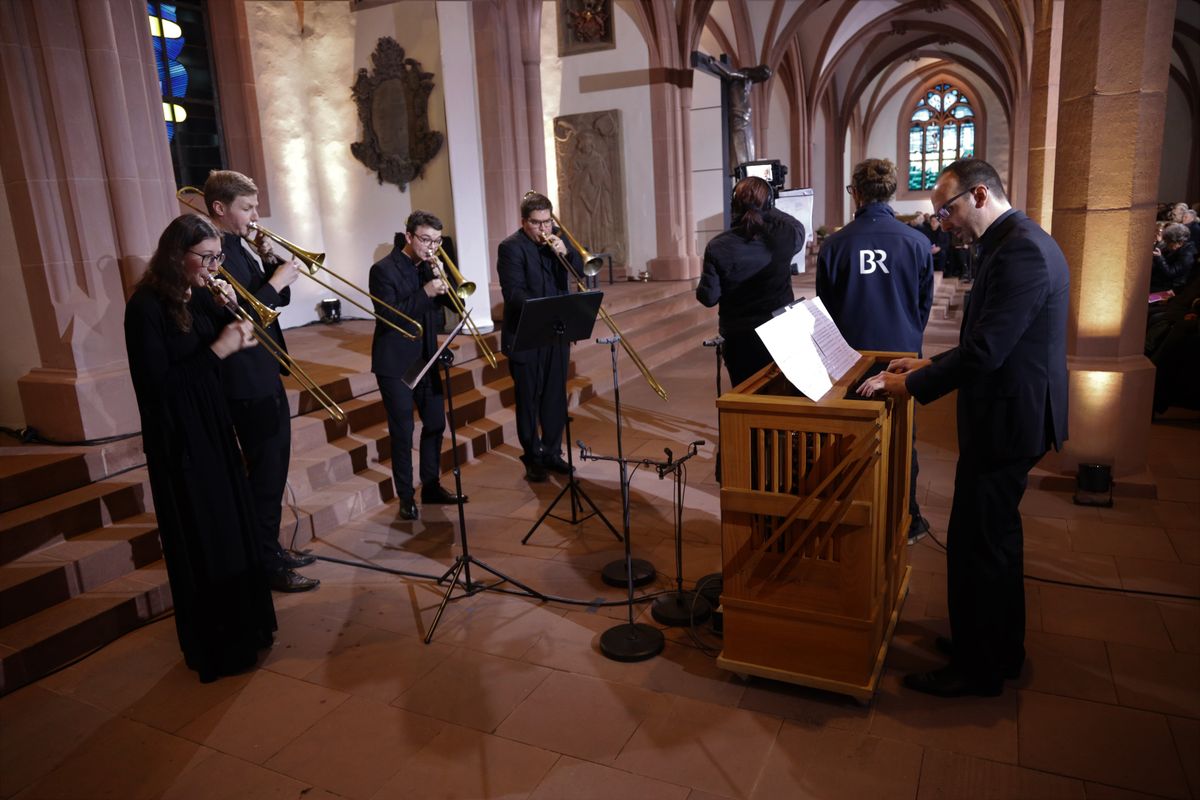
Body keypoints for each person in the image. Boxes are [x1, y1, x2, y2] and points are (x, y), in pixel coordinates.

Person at [860, 158, 1069, 698]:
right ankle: (997, 647)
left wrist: (912, 386)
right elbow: (992, 335)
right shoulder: (1013, 240)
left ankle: (978, 669)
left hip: (1009, 418)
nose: (943, 224)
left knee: (977, 542)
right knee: (996, 537)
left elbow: (988, 349)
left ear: (979, 195)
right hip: (1010, 412)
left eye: (946, 211)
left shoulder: (1019, 248)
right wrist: (927, 365)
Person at [124, 213, 277, 682]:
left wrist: (231, 312)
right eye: (205, 257)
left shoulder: (199, 295)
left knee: (232, 528)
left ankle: (249, 628)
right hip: (179, 440)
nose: (213, 266)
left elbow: (236, 341)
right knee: (205, 537)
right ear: (177, 254)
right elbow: (159, 386)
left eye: (217, 257)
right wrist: (218, 349)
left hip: (212, 427)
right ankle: (218, 645)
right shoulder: (146, 307)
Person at [202, 170, 318, 593]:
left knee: (274, 469)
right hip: (245, 378)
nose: (255, 216)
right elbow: (240, 314)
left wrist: (271, 263)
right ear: (219, 208)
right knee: (266, 474)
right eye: (247, 207)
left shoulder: (237, 245)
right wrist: (273, 282)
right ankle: (264, 562)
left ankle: (267, 547)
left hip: (264, 367)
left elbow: (276, 301)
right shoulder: (215, 253)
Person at [817, 158, 934, 544]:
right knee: (903, 437)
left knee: (852, 435)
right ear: (893, 193)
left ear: (856, 194)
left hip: (851, 359)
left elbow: (826, 310)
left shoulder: (835, 245)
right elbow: (922, 306)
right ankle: (907, 516)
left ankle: (854, 513)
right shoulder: (917, 242)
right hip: (901, 356)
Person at [369, 210, 465, 520]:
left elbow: (457, 306)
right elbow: (392, 318)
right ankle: (406, 496)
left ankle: (432, 485)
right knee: (403, 431)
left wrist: (446, 282)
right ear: (409, 237)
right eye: (425, 240)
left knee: (436, 423)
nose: (431, 247)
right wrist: (425, 292)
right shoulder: (382, 270)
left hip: (427, 358)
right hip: (395, 364)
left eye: (437, 241)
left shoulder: (430, 267)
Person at [497, 192, 580, 482]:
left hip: (556, 333)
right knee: (529, 399)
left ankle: (553, 452)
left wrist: (566, 254)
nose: (544, 229)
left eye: (547, 222)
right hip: (527, 335)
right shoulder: (511, 248)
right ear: (524, 222)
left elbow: (580, 274)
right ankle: (533, 457)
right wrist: (545, 310)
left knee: (556, 396)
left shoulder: (558, 240)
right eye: (537, 223)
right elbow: (514, 293)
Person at [696, 176, 805, 387]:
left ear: (733, 206)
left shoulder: (717, 246)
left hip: (739, 338)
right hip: (780, 331)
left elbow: (708, 298)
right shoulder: (785, 237)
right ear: (770, 204)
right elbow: (796, 225)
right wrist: (766, 207)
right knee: (780, 395)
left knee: (745, 399)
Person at [1150, 223, 1196, 293]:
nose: (1167, 245)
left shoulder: (1187, 255)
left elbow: (1170, 273)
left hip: (1171, 286)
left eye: (1168, 243)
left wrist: (1159, 258)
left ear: (1180, 243)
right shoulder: (1175, 247)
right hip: (1161, 280)